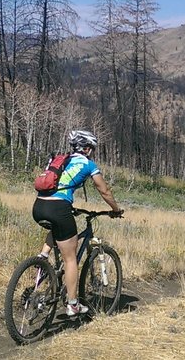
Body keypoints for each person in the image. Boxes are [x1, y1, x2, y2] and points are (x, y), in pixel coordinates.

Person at [32, 130, 123, 316]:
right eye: (92, 148)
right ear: (88, 149)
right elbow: (104, 191)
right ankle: (73, 305)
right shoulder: (88, 165)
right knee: (70, 258)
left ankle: (43, 256)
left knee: (57, 229)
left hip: (39, 206)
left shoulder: (59, 159)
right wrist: (115, 209)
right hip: (59, 209)